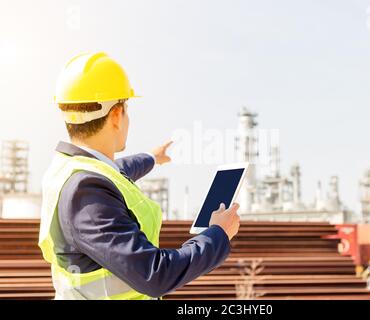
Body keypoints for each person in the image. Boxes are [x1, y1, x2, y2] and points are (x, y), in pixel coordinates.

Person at [38, 52, 240, 300]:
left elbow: (119, 170)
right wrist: (217, 234)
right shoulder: (87, 191)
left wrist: (152, 157)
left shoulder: (72, 167)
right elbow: (155, 275)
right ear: (115, 115)